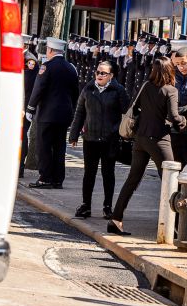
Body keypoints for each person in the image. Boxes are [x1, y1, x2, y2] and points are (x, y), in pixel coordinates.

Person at [107, 57, 186, 235]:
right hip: (159, 139)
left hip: (140, 138)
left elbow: (136, 109)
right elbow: (174, 116)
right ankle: (172, 225)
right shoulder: (171, 90)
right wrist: (183, 121)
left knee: (132, 180)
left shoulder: (146, 86)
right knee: (170, 180)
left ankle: (116, 218)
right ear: (169, 71)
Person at [68, 61, 130, 220]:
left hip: (110, 139)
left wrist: (122, 133)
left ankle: (107, 206)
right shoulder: (88, 89)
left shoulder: (118, 90)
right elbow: (80, 113)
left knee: (108, 173)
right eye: (97, 72)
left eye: (103, 73)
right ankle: (85, 205)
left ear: (111, 76)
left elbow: (127, 112)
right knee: (89, 173)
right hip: (91, 138)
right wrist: (74, 134)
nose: (99, 75)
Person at [26, 37, 79, 189]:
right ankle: (57, 179)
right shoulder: (71, 68)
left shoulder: (46, 67)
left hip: (47, 114)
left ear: (50, 50)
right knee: (59, 147)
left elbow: (39, 89)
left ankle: (45, 178)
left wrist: (30, 108)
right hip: (64, 115)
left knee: (44, 147)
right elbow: (75, 92)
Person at [20, 47, 40, 178]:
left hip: (23, 107)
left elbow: (27, 87)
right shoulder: (23, 58)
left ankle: (19, 167)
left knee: (21, 136)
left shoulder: (29, 60)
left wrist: (24, 107)